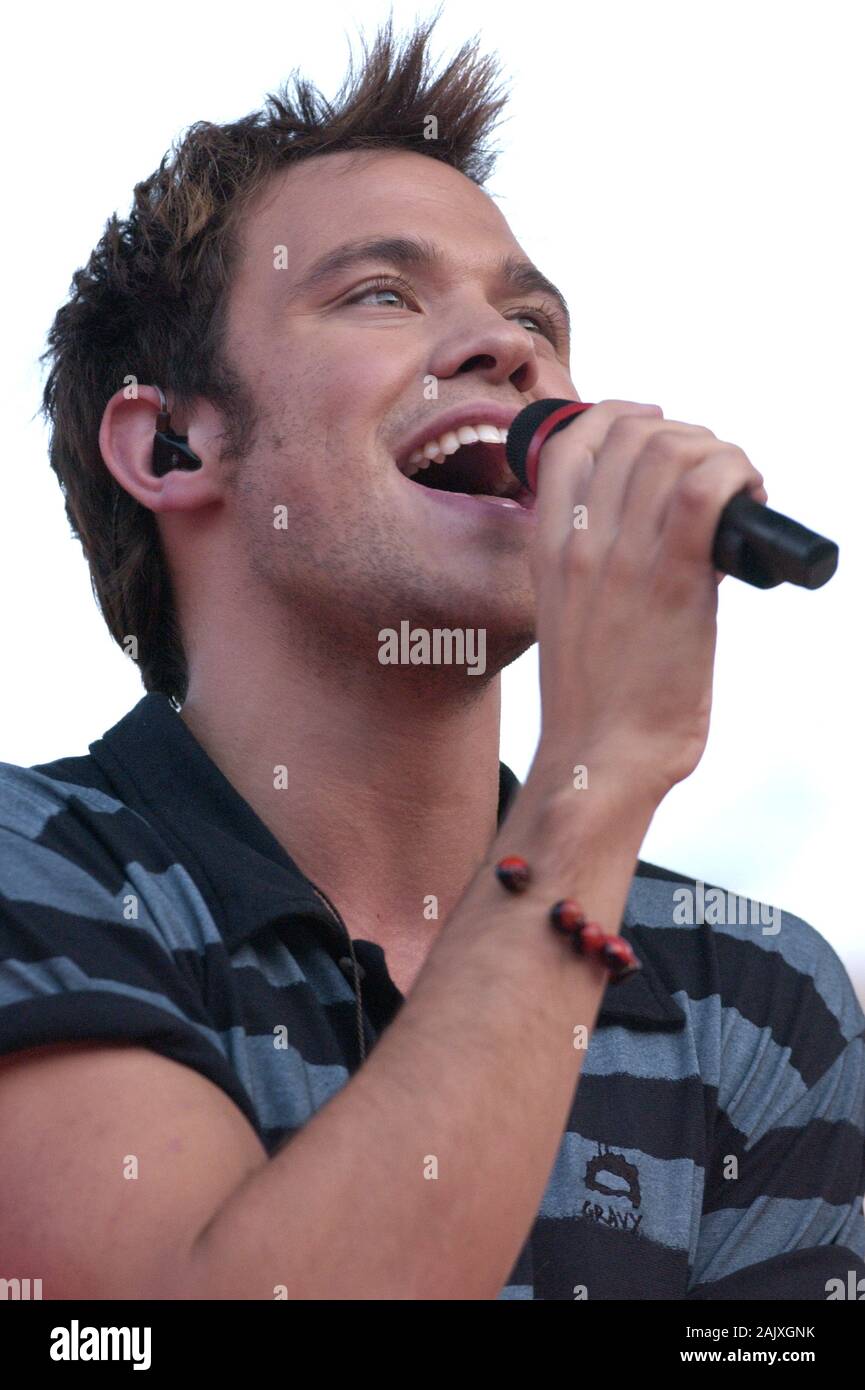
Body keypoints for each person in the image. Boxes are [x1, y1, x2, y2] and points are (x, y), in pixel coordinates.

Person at [1, 13, 862, 1301]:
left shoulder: (749, 995)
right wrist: (595, 780)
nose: (509, 350)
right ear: (172, 445)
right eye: (382, 294)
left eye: (535, 320)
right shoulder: (38, 872)